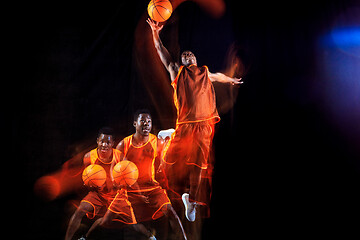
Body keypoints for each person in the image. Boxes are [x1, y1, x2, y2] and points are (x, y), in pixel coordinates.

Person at [147, 18, 243, 222]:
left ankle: (190, 200)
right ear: (182, 61)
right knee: (171, 161)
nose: (187, 55)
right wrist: (155, 34)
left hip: (204, 126)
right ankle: (171, 136)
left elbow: (219, 76)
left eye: (190, 54)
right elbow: (161, 52)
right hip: (185, 124)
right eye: (184, 54)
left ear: (196, 59)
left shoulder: (205, 73)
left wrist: (231, 79)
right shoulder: (177, 71)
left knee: (199, 166)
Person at [65, 127, 155, 240]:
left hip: (117, 195)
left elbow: (131, 177)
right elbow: (88, 179)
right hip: (98, 193)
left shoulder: (119, 156)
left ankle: (151, 237)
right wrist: (89, 184)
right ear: (97, 141)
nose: (104, 145)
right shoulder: (89, 157)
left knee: (133, 225)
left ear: (112, 143)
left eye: (108, 142)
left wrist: (140, 194)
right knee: (80, 211)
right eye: (102, 141)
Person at [116, 109, 187, 240]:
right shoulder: (124, 144)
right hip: (131, 189)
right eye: (142, 120)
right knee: (127, 220)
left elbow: (166, 160)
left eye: (149, 121)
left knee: (171, 213)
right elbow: (117, 169)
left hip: (151, 187)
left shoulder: (155, 142)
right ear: (134, 124)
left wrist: (168, 147)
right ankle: (149, 236)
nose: (146, 124)